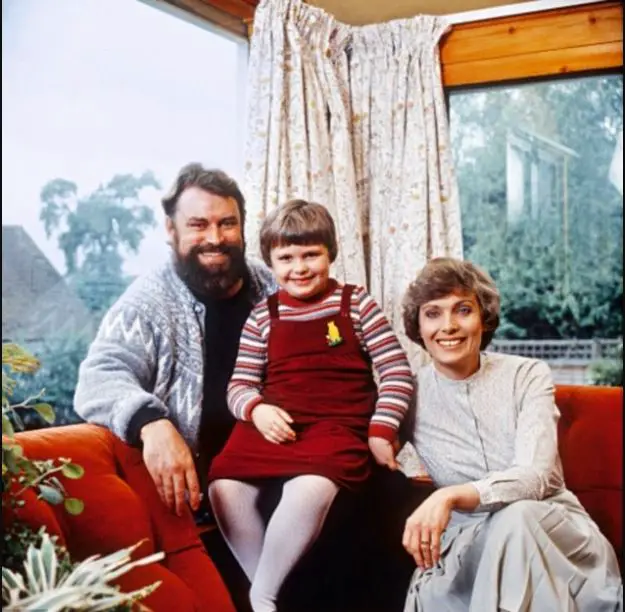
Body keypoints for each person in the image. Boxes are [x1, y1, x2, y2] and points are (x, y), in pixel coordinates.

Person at [207, 199, 415, 612]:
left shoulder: (356, 304)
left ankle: (262, 597)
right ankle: (268, 590)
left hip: (336, 427)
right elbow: (239, 385)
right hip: (275, 425)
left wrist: (380, 431)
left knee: (312, 485)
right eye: (286, 258)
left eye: (310, 255)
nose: (299, 268)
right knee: (223, 486)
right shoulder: (262, 316)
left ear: (331, 254)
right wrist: (257, 410)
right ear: (269, 261)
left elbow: (396, 372)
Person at [401, 257, 623, 611]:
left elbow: (535, 476)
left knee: (516, 518)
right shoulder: (406, 395)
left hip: (551, 534)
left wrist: (449, 496)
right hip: (467, 546)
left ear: (483, 317)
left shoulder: (528, 374)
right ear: (418, 325)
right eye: (433, 313)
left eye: (462, 310)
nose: (448, 326)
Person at [73, 163, 276, 517]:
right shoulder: (147, 302)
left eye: (227, 223)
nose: (215, 237)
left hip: (287, 474)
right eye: (198, 225)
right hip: (205, 506)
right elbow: (98, 379)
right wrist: (152, 423)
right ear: (171, 229)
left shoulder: (273, 287)